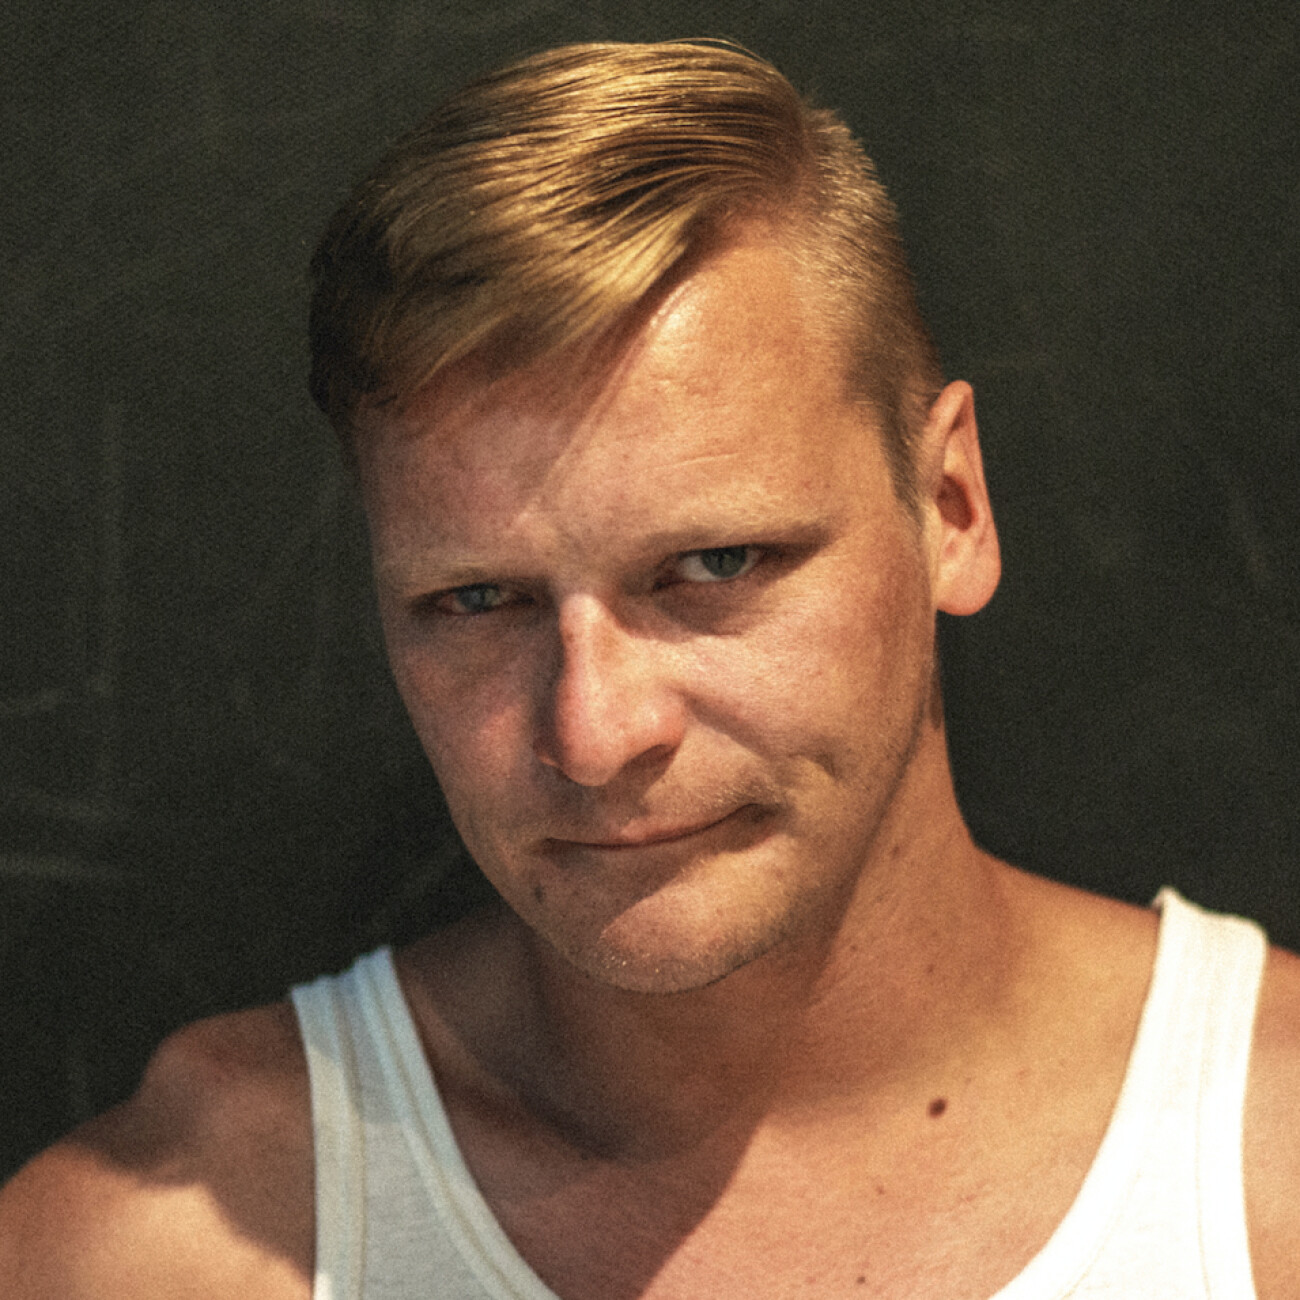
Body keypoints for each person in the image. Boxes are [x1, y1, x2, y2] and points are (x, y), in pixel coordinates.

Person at [2, 39, 1299, 1300]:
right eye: (476, 600)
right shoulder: (173, 1249)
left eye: (716, 563)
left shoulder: (1272, 1166)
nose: (596, 731)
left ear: (951, 507)